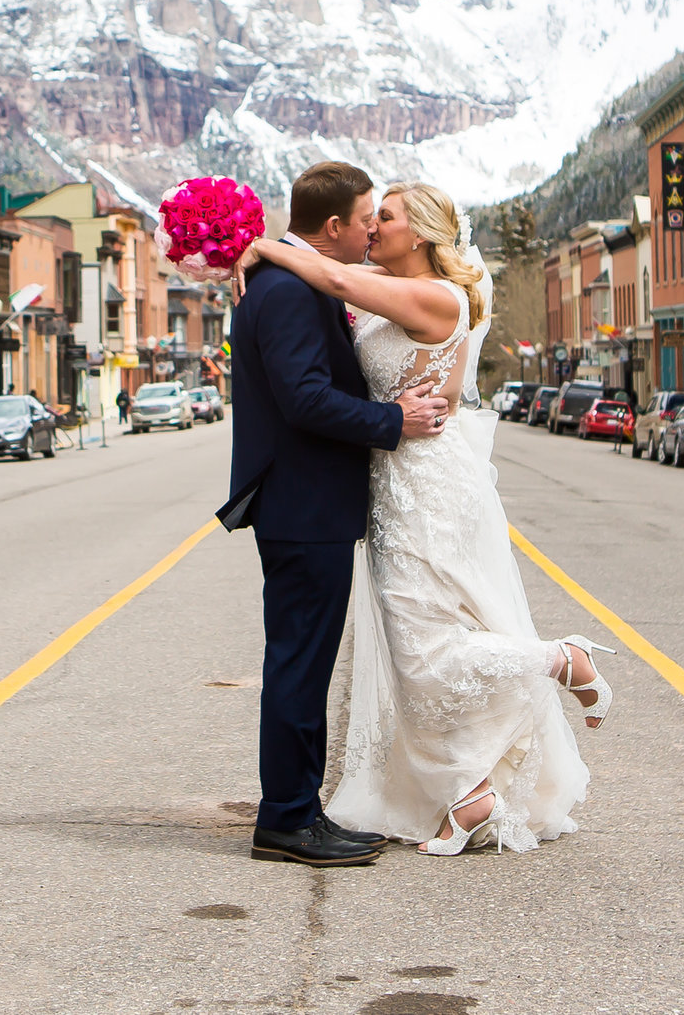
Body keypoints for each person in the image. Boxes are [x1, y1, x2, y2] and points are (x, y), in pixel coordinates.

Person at [234, 179, 611, 857]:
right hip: (389, 479)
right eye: (368, 215)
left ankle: (561, 657)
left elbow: (324, 270)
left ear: (424, 232)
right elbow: (333, 272)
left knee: (425, 649)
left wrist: (259, 245)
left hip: (424, 483)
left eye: (386, 215)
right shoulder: (385, 278)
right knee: (410, 652)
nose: (373, 226)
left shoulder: (436, 295)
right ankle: (468, 793)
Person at [222, 161, 449, 869]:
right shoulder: (289, 289)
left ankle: (298, 809)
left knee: (305, 662)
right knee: (298, 663)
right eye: (363, 219)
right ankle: (286, 819)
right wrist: (393, 418)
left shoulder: (290, 278)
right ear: (332, 227)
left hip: (306, 501)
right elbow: (306, 399)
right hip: (303, 502)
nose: (371, 228)